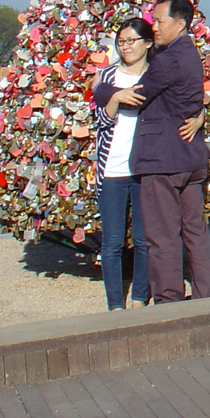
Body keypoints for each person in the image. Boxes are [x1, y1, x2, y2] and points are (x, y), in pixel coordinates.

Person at [131, 0, 210, 303]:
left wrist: (103, 90)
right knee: (195, 231)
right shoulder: (190, 54)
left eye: (160, 21)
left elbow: (138, 95)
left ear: (180, 24)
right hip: (190, 156)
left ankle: (169, 300)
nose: (155, 27)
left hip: (164, 159)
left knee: (163, 235)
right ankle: (205, 294)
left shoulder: (168, 60)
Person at [91, 19, 154, 311]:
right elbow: (101, 123)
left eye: (132, 40)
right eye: (122, 41)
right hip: (111, 170)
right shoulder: (106, 76)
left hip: (144, 169)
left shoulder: (156, 75)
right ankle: (115, 304)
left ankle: (140, 297)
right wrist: (115, 97)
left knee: (143, 240)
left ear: (148, 43)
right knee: (112, 242)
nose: (126, 46)